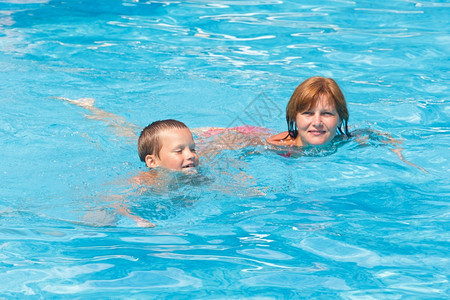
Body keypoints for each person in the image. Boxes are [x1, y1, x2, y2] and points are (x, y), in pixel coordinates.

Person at [266, 76, 349, 147]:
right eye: (308, 113)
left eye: (326, 114)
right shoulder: (275, 148)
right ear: (294, 118)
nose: (317, 123)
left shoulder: (345, 141)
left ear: (340, 120)